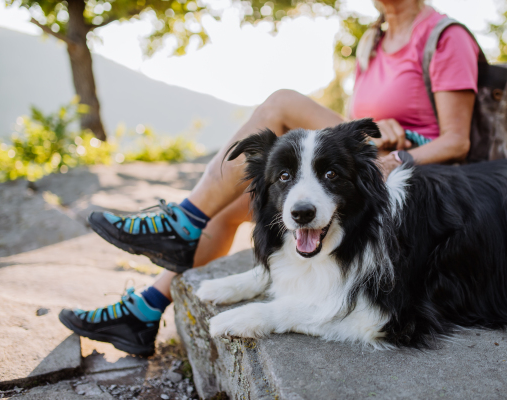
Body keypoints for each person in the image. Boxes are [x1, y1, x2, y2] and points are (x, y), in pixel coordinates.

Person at [58, 0, 480, 356]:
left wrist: (395, 156)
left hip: (417, 179)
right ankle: (144, 312)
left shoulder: (444, 37)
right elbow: (359, 126)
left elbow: (457, 142)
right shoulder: (373, 42)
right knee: (225, 210)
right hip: (362, 162)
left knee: (281, 103)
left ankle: (182, 220)